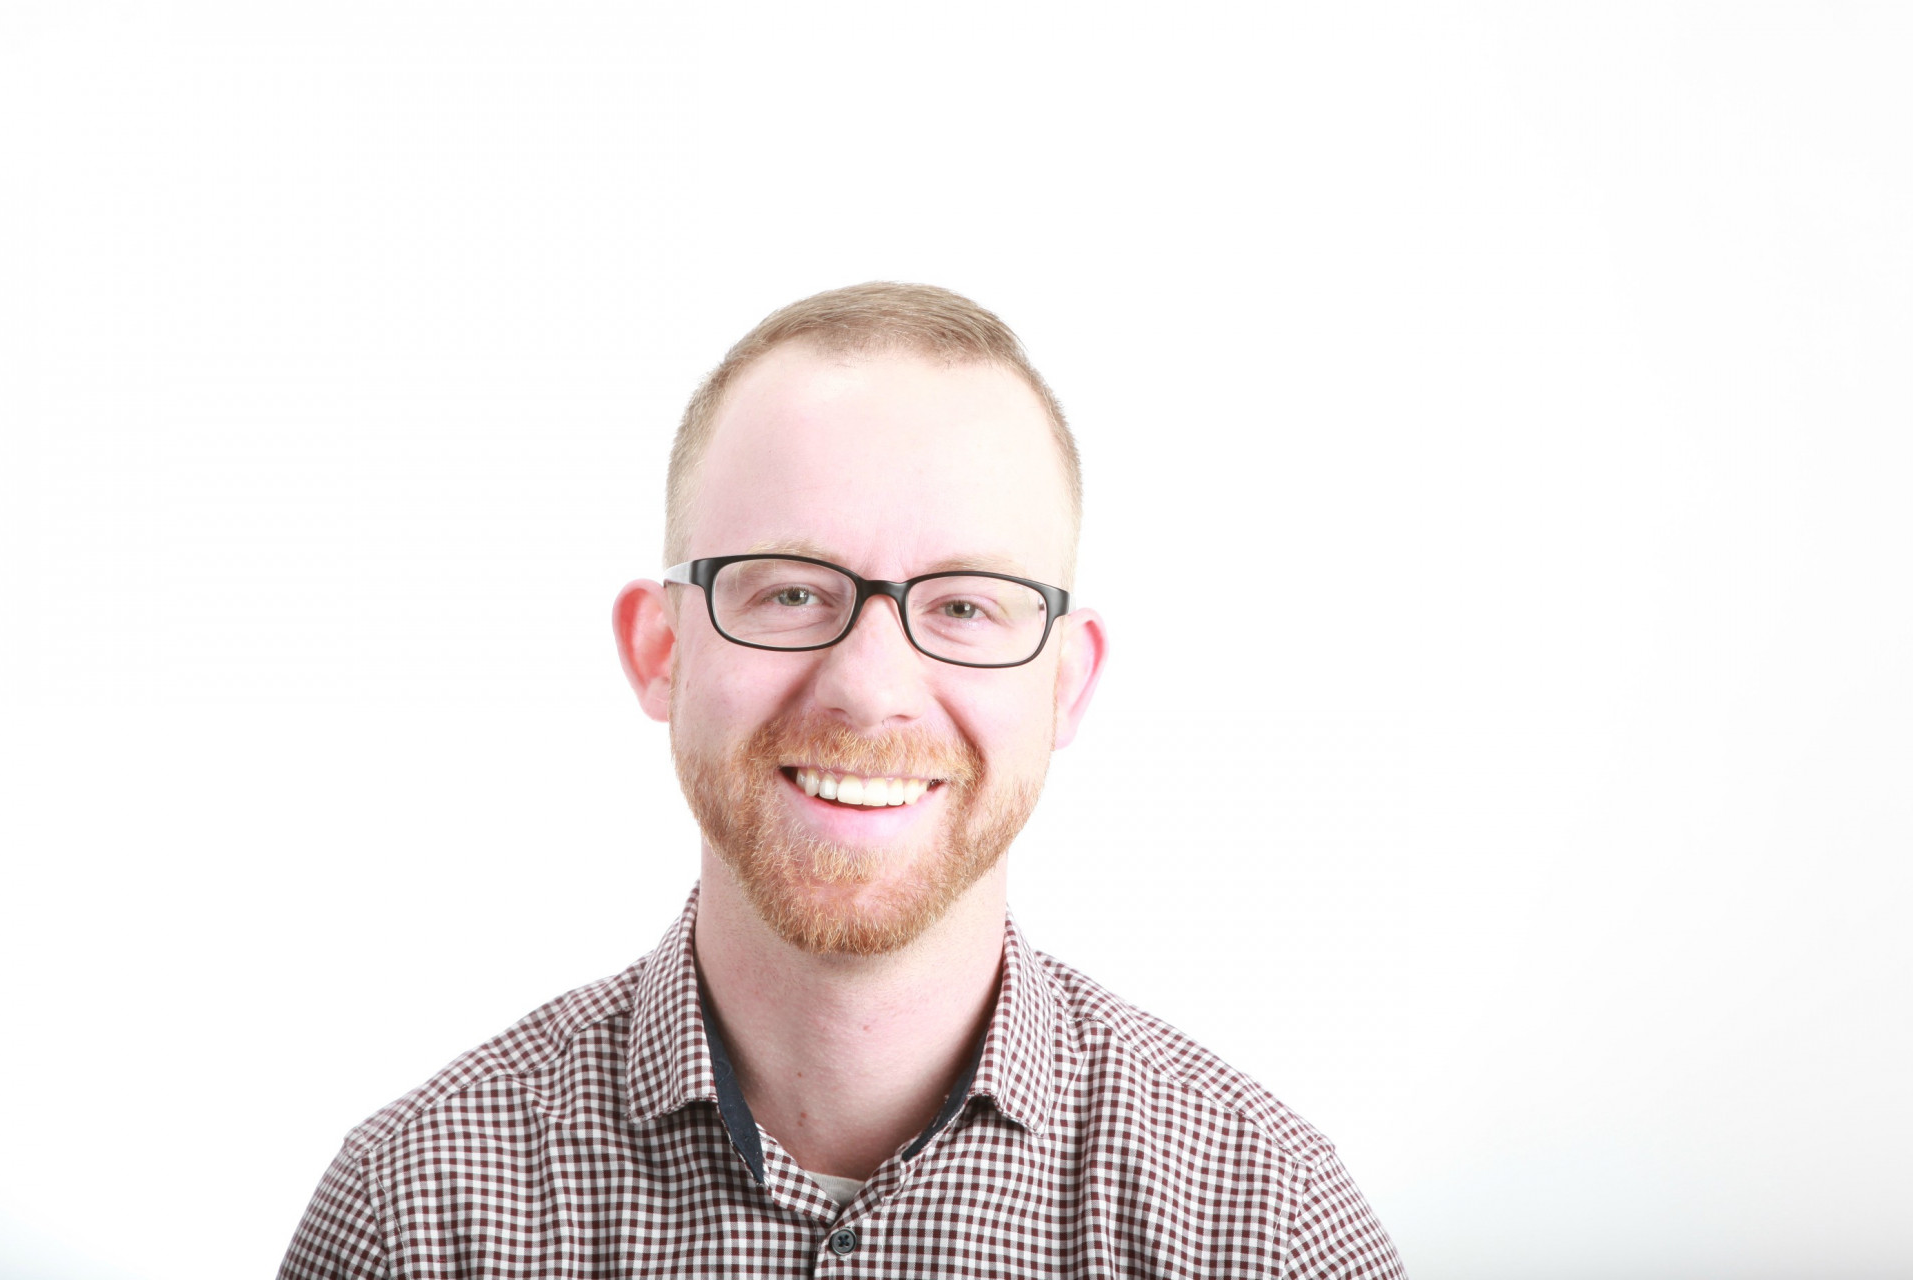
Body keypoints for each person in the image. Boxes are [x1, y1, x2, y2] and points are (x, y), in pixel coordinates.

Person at [279, 283, 1406, 1278]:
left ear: (1066, 682)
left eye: (964, 606)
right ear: (661, 649)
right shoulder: (415, 1218)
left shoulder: (1267, 1226)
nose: (870, 690)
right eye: (789, 592)